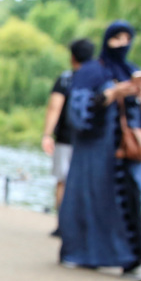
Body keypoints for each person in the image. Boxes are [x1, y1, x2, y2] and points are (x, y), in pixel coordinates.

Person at [58, 20, 141, 280]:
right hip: (96, 154)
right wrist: (112, 93)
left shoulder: (132, 70)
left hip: (128, 155)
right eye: (117, 39)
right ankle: (84, 253)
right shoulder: (91, 72)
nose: (122, 44)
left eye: (127, 39)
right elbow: (77, 114)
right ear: (106, 40)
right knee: (91, 205)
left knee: (129, 202)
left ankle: (133, 259)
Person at [41, 38, 95, 232]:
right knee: (85, 184)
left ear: (72, 57)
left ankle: (63, 224)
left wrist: (47, 134)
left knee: (62, 182)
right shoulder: (98, 79)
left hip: (65, 138)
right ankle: (82, 226)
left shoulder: (65, 79)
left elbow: (54, 107)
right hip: (90, 141)